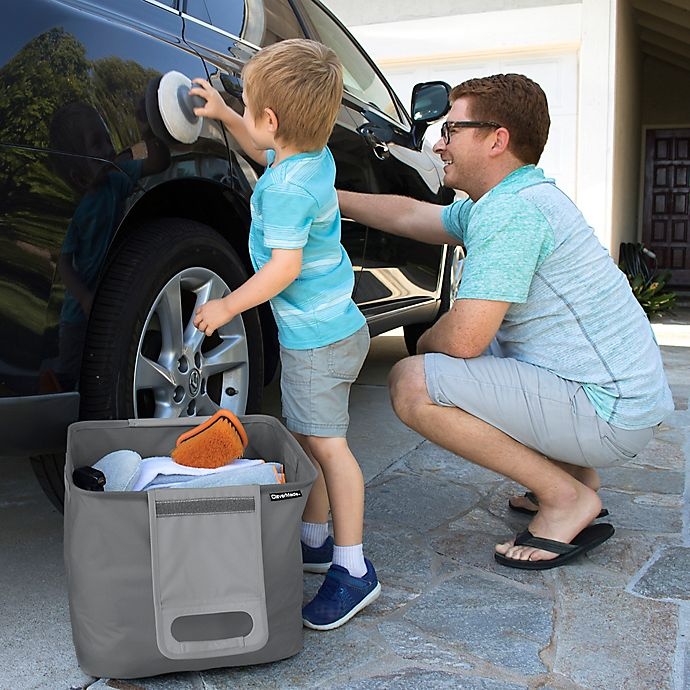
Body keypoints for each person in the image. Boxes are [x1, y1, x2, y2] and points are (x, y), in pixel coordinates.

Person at [338, 73, 674, 570]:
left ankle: (565, 498)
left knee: (414, 381)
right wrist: (331, 197)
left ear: (497, 140)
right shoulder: (507, 200)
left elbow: (466, 339)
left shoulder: (512, 212)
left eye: (451, 131)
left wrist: (424, 343)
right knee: (493, 351)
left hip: (609, 412)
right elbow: (412, 217)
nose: (437, 143)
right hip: (617, 400)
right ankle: (579, 480)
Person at [190, 39, 380, 627]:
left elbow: (283, 268)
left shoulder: (287, 189)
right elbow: (264, 146)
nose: (245, 114)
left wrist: (227, 308)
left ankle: (353, 569)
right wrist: (225, 114)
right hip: (331, 329)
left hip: (318, 341)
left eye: (245, 105)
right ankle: (317, 538)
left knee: (327, 447)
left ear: (272, 119)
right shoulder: (309, 157)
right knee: (306, 436)